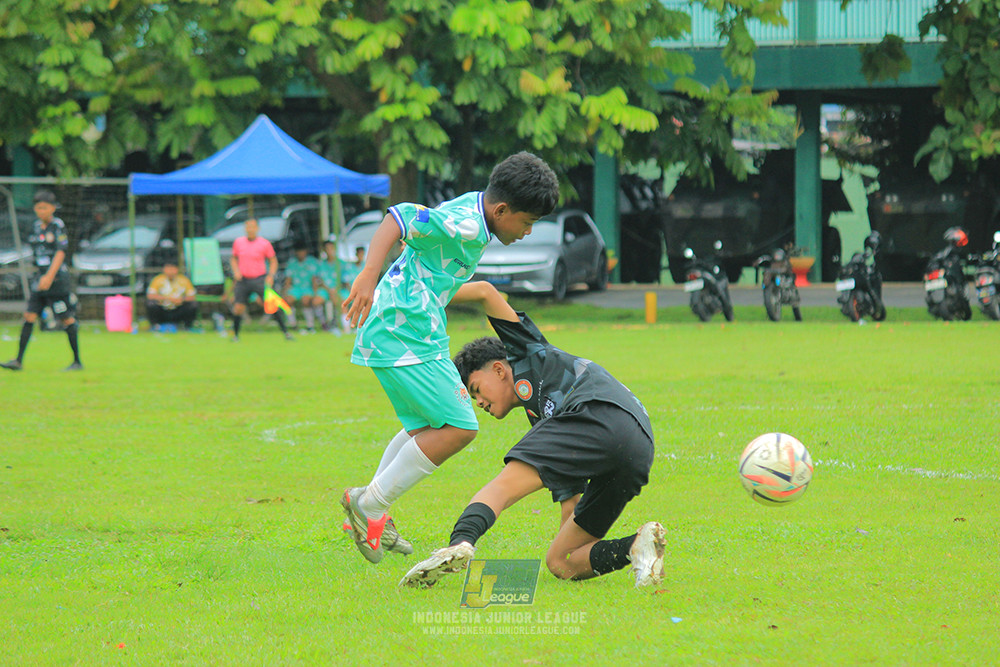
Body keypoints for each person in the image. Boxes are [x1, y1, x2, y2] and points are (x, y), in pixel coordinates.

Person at [339, 151, 560, 564]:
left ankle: (372, 513)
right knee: (460, 427)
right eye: (527, 222)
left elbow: (433, 274)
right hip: (402, 333)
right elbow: (399, 217)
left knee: (427, 425)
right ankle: (368, 504)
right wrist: (369, 274)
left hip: (408, 331)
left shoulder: (474, 214)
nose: (528, 232)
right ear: (502, 210)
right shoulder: (467, 225)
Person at [400, 281, 664, 589]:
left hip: (597, 413)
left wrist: (421, 296)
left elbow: (486, 291)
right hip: (639, 445)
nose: (480, 403)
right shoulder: (546, 420)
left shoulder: (528, 352)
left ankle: (459, 543)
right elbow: (571, 503)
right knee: (561, 562)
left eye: (476, 390)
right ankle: (639, 546)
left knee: (502, 486)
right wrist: (569, 543)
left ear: (499, 369)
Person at [2, 190, 83, 371]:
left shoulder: (58, 226)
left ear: (52, 208)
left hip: (56, 282)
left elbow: (60, 253)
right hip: (40, 282)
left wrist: (49, 276)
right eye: (38, 208)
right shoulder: (36, 227)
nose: (41, 211)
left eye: (44, 207)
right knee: (29, 316)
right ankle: (18, 361)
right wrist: (41, 277)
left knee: (67, 319)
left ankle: (77, 361)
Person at [229, 218, 293, 342]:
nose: (250, 229)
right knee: (238, 307)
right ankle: (235, 335)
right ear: (245, 228)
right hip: (243, 280)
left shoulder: (264, 244)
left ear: (257, 228)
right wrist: (236, 271)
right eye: (248, 227)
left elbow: (273, 260)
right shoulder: (238, 242)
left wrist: (270, 276)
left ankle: (286, 332)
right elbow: (233, 258)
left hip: (260, 279)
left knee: (273, 305)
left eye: (253, 227)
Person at [146, 256, 199, 331]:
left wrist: (182, 299)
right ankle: (155, 326)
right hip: (163, 309)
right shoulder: (157, 280)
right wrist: (166, 298)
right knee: (151, 303)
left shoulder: (184, 280)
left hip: (178, 309)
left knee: (192, 304)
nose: (170, 271)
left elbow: (192, 296)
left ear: (177, 269)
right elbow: (150, 295)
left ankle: (187, 326)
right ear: (164, 269)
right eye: (168, 268)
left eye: (172, 268)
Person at [283, 244, 324, 333]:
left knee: (306, 300)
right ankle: (293, 324)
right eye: (298, 251)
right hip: (296, 288)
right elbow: (288, 279)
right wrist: (285, 291)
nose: (300, 253)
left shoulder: (312, 262)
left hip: (308, 288)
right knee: (288, 300)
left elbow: (314, 279)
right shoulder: (292, 262)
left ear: (306, 252)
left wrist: (315, 292)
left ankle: (310, 325)